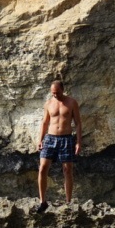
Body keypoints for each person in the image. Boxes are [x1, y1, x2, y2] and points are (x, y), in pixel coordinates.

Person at [37, 79, 84, 207]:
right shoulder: (48, 103)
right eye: (53, 93)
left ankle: (68, 202)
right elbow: (45, 122)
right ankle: (42, 202)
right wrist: (40, 140)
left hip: (66, 138)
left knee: (67, 170)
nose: (55, 95)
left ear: (62, 90)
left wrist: (78, 142)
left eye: (57, 92)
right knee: (42, 168)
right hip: (50, 138)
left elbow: (78, 123)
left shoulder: (72, 102)